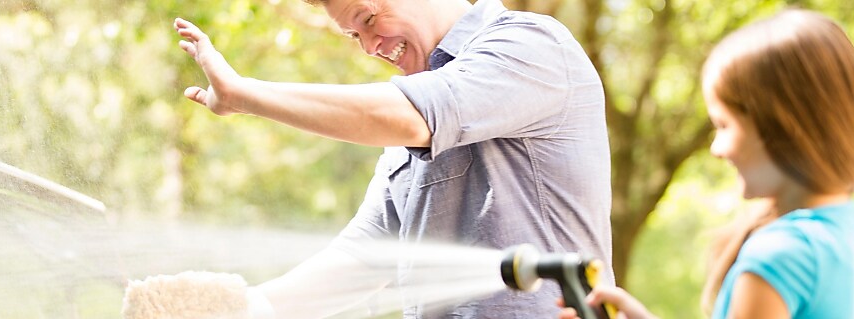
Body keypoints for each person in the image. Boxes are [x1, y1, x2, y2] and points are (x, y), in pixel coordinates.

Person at [174, 0, 613, 317]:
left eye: (369, 18)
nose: (369, 47)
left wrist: (244, 95)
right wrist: (241, 306)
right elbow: (367, 256)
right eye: (354, 34)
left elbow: (413, 114)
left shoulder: (530, 44)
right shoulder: (410, 118)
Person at [557, 9, 854, 319]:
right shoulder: (840, 222)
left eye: (724, 126)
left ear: (780, 127)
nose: (717, 150)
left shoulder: (778, 259)